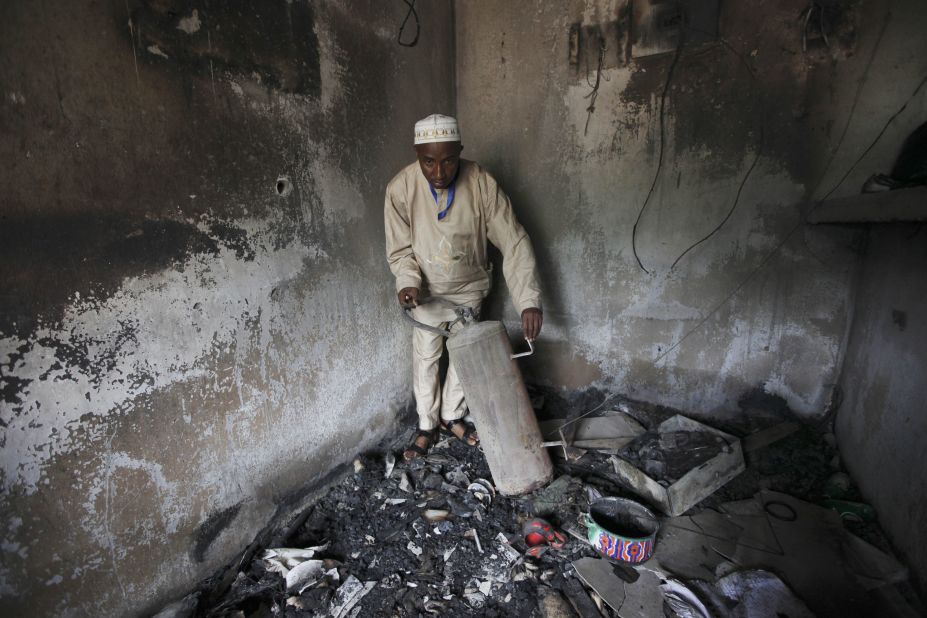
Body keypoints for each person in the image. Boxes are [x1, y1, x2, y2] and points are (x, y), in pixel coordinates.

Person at [384, 114, 543, 460]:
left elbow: (513, 241)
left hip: (469, 290)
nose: (439, 173)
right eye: (428, 162)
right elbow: (400, 251)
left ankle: (452, 415)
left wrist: (528, 300)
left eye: (448, 160)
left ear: (460, 151)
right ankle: (427, 425)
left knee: (464, 356)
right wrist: (408, 282)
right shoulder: (400, 189)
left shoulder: (482, 183)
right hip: (426, 294)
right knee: (426, 358)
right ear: (417, 154)